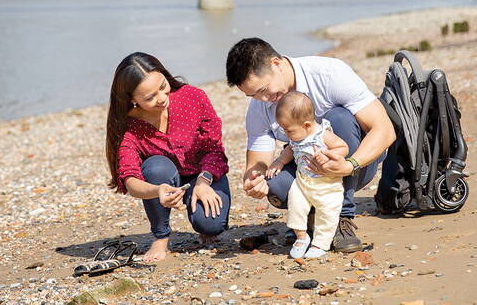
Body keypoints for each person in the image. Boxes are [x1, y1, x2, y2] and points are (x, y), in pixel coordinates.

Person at [226, 38, 396, 252]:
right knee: (275, 183)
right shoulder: (260, 105)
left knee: (339, 118)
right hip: (307, 169)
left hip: (355, 164)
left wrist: (350, 164)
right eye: (254, 95)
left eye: (264, 89)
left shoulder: (329, 74)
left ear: (276, 64)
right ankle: (309, 217)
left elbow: (385, 130)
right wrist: (255, 180)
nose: (264, 99)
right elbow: (258, 161)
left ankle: (343, 217)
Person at [106, 52, 231, 262]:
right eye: (149, 97)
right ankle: (160, 237)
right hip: (163, 178)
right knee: (155, 168)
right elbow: (130, 180)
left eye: (163, 87)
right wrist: (158, 190)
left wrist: (203, 181)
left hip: (204, 173)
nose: (162, 98)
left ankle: (203, 223)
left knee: (212, 226)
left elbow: (214, 148)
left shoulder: (193, 97)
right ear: (131, 99)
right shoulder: (129, 127)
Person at [266, 91, 349, 259]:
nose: (286, 135)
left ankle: (321, 243)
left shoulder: (321, 134)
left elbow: (343, 147)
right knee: (296, 205)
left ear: (307, 125)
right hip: (303, 181)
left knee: (327, 213)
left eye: (289, 131)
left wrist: (328, 154)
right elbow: (290, 150)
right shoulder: (296, 137)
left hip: (327, 184)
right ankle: (302, 236)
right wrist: (280, 162)